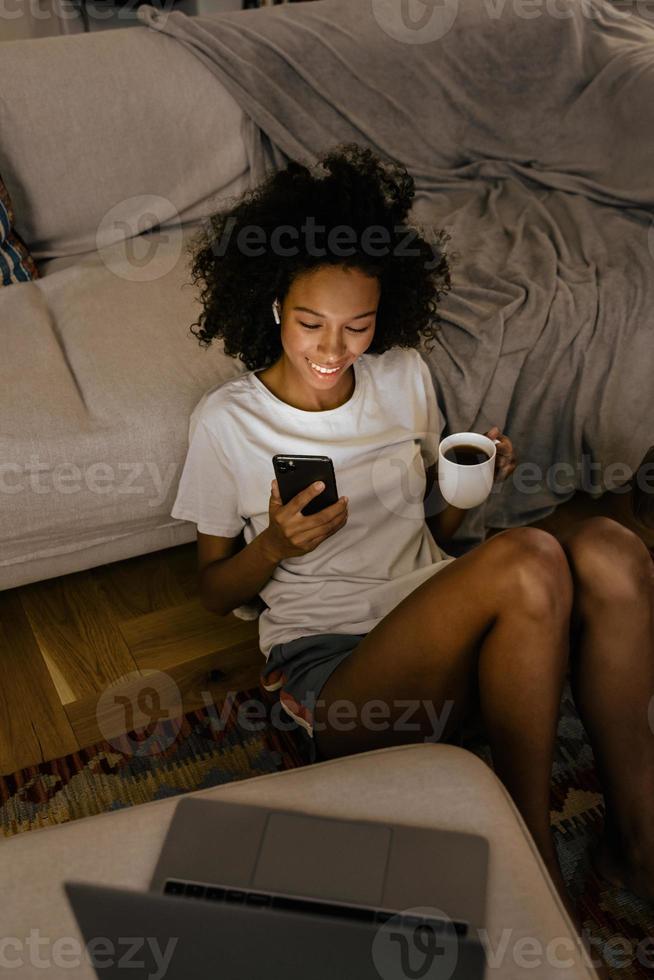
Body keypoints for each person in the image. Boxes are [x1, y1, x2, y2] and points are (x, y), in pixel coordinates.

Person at [171, 143, 654, 935]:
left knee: (613, 549)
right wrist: (274, 551)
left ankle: (639, 843)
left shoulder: (402, 377)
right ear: (270, 307)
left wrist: (472, 494)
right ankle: (530, 852)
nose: (333, 350)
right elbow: (211, 588)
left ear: (383, 315)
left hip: (437, 623)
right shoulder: (229, 422)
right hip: (343, 678)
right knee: (533, 556)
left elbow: (428, 536)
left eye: (357, 326)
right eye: (309, 324)